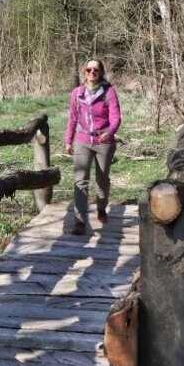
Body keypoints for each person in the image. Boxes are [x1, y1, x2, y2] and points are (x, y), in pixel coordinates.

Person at [64, 58, 121, 235]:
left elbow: (116, 117)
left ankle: (101, 208)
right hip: (82, 141)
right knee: (80, 181)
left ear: (101, 72)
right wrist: (68, 140)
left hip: (104, 142)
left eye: (96, 69)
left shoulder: (108, 92)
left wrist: (110, 132)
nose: (92, 72)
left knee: (102, 180)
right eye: (89, 69)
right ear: (84, 72)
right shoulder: (77, 93)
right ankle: (80, 221)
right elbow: (72, 118)